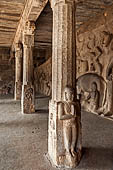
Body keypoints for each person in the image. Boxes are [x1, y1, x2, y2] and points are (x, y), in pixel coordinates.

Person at [58, 86, 81, 157]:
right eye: (70, 93)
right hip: (67, 125)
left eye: (73, 94)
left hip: (74, 124)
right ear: (65, 94)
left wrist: (76, 111)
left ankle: (72, 149)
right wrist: (71, 115)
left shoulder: (74, 104)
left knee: (74, 138)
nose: (72, 95)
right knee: (68, 140)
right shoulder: (62, 104)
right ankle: (68, 151)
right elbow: (60, 117)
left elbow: (78, 114)